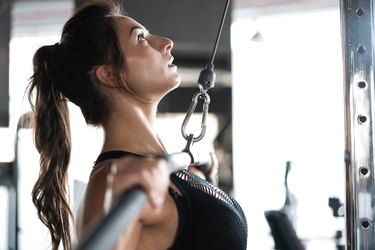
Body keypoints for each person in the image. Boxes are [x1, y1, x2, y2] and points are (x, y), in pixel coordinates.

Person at [26, 0, 248, 249]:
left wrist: (205, 184)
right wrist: (116, 189)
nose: (166, 42)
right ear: (109, 74)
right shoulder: (112, 182)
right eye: (141, 38)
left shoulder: (171, 171)